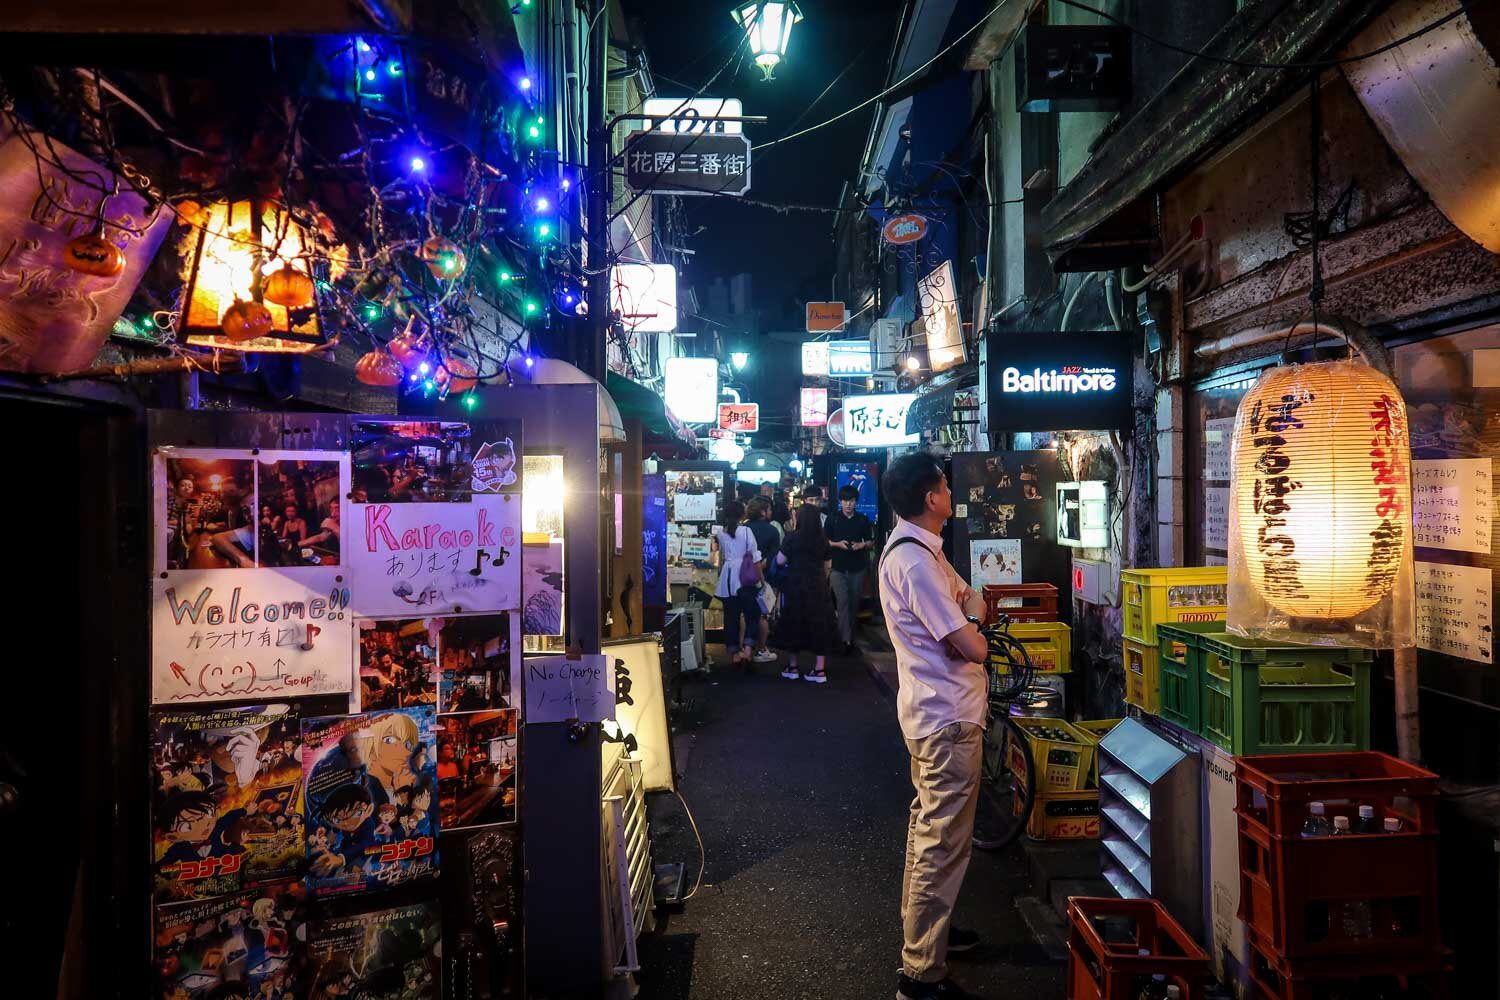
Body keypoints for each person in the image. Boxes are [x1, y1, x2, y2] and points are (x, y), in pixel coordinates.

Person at [878, 453, 990, 1000]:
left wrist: (971, 611)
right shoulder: (918, 564)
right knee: (940, 841)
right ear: (931, 497)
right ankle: (920, 970)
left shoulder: (921, 551)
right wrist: (974, 626)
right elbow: (970, 638)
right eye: (945, 484)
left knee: (930, 831)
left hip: (937, 713)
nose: (950, 491)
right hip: (945, 717)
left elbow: (973, 599)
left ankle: (930, 938)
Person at [770, 502, 840, 683]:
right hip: (817, 586)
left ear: (799, 518)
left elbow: (779, 560)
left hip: (795, 585)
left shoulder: (792, 538)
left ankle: (792, 667)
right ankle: (819, 670)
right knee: (819, 625)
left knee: (794, 623)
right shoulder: (822, 539)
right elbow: (828, 565)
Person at [826, 484, 874, 657]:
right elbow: (825, 541)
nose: (848, 504)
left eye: (851, 501)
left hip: (857, 567)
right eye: (845, 501)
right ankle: (845, 640)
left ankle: (849, 637)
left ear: (856, 502)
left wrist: (862, 544)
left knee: (854, 603)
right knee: (842, 602)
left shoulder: (862, 519)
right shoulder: (833, 519)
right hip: (838, 567)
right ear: (840, 501)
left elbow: (870, 542)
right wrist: (837, 544)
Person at [714, 500, 762, 669]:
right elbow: (756, 558)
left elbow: (722, 557)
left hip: (727, 579)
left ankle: (735, 654)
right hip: (746, 578)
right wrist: (762, 581)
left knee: (731, 618)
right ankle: (748, 650)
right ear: (743, 514)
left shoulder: (721, 533)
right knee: (752, 615)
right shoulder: (747, 531)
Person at [744, 497, 781, 663]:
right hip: (766, 579)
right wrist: (762, 567)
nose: (771, 512)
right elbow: (774, 556)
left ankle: (745, 649)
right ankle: (762, 649)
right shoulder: (772, 531)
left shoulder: (743, 529)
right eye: (769, 509)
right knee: (762, 615)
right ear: (762, 512)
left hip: (744, 577)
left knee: (746, 614)